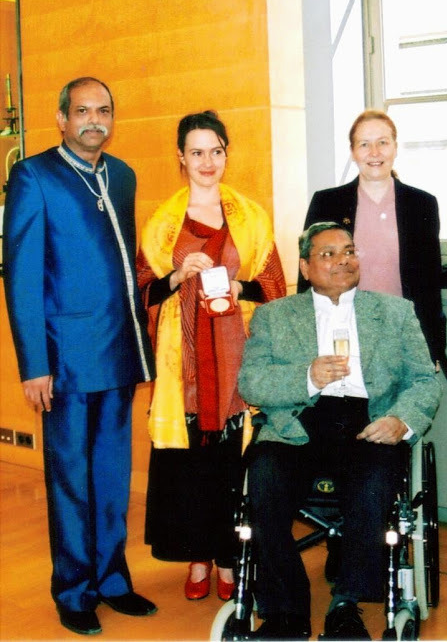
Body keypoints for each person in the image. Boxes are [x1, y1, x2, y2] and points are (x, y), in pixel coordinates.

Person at [2, 77, 157, 636]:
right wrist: (33, 363)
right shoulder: (33, 176)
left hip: (118, 351)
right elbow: (20, 277)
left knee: (113, 474)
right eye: (83, 111)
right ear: (62, 119)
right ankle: (73, 589)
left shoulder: (123, 176)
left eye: (104, 111)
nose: (95, 120)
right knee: (70, 477)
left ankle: (112, 580)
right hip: (64, 359)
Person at [239, 222, 442, 640]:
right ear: (306, 266)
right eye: (328, 254)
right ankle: (285, 612)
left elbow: (423, 380)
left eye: (349, 251)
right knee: (264, 478)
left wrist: (401, 420)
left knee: (373, 485)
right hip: (298, 423)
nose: (343, 260)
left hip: (370, 422)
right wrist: (307, 376)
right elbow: (252, 383)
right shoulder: (274, 316)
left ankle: (346, 606)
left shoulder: (394, 312)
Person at [136, 110, 286, 603]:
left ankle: (228, 557)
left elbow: (276, 289)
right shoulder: (162, 223)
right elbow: (141, 292)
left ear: (226, 153)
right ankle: (198, 557)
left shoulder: (251, 217)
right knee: (190, 466)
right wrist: (177, 277)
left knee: (230, 462)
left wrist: (241, 285)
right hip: (184, 365)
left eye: (215, 151)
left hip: (237, 358)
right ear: (181, 157)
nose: (207, 161)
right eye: (196, 152)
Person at [299, 110, 444, 367]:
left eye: (383, 142)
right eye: (364, 144)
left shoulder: (422, 204)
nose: (374, 152)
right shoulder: (327, 202)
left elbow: (430, 284)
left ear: (395, 148)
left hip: (403, 337)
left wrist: (433, 347)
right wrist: (304, 341)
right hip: (340, 336)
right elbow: (307, 276)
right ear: (353, 151)